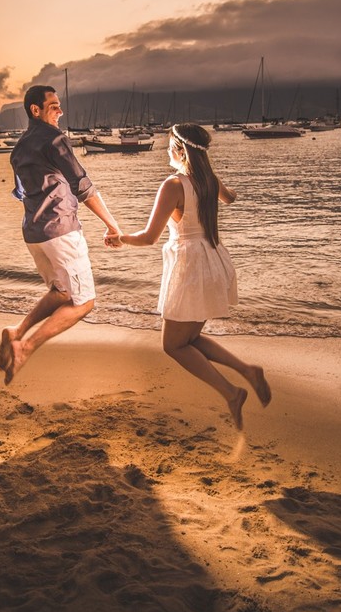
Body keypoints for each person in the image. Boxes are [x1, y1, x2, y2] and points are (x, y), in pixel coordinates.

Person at [112, 122, 270, 430]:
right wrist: (216, 183)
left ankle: (231, 392)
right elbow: (230, 198)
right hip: (214, 262)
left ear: (180, 150)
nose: (166, 149)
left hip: (191, 267)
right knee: (191, 338)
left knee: (174, 345)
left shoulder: (174, 185)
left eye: (170, 144)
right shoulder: (208, 179)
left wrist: (120, 238)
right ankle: (248, 372)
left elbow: (148, 238)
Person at [0, 85, 123, 385]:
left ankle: (17, 331)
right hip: (61, 232)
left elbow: (21, 192)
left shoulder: (18, 149)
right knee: (84, 302)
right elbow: (83, 185)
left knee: (62, 292)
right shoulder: (55, 139)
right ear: (35, 110)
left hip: (34, 234)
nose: (60, 111)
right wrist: (112, 225)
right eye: (53, 106)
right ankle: (25, 348)